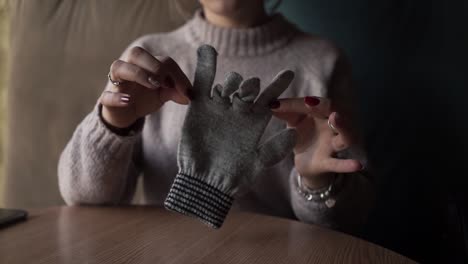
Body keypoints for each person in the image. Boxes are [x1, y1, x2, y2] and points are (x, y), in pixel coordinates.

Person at [58, 0, 374, 233]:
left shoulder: (323, 61)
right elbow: (84, 199)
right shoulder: (150, 57)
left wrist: (317, 181)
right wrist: (113, 123)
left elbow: (352, 219)